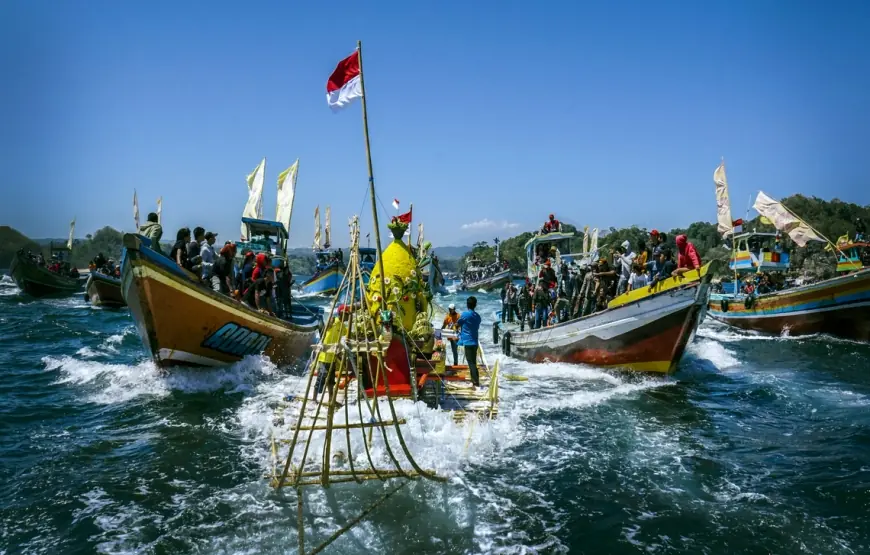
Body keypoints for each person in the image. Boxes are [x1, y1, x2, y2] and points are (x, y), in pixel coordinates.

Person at [315, 305, 350, 402]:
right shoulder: (333, 322)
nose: (348, 317)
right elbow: (325, 328)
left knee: (331, 381)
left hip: (333, 357)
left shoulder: (342, 327)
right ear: (342, 314)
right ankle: (314, 399)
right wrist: (329, 322)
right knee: (321, 378)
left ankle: (331, 399)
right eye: (347, 315)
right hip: (324, 356)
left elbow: (347, 337)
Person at [456, 296, 482, 387]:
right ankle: (475, 380)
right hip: (475, 342)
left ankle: (475, 382)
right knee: (473, 362)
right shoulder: (478, 316)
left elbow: (458, 324)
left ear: (467, 305)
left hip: (468, 342)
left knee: (471, 362)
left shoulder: (465, 314)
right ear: (475, 305)